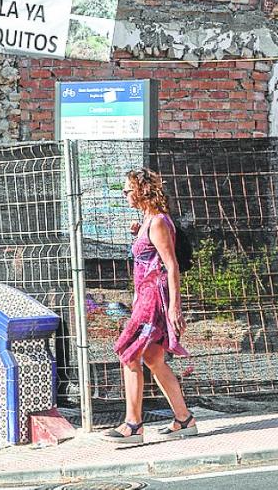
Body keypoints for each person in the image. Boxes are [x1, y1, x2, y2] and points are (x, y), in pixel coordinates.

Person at [103, 168, 197, 443]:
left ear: (142, 190)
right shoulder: (146, 221)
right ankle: (184, 419)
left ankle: (133, 425)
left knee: (129, 354)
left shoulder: (157, 222)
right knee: (154, 359)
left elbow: (171, 265)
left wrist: (174, 306)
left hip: (154, 299)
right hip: (144, 298)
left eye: (128, 190)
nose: (125, 195)